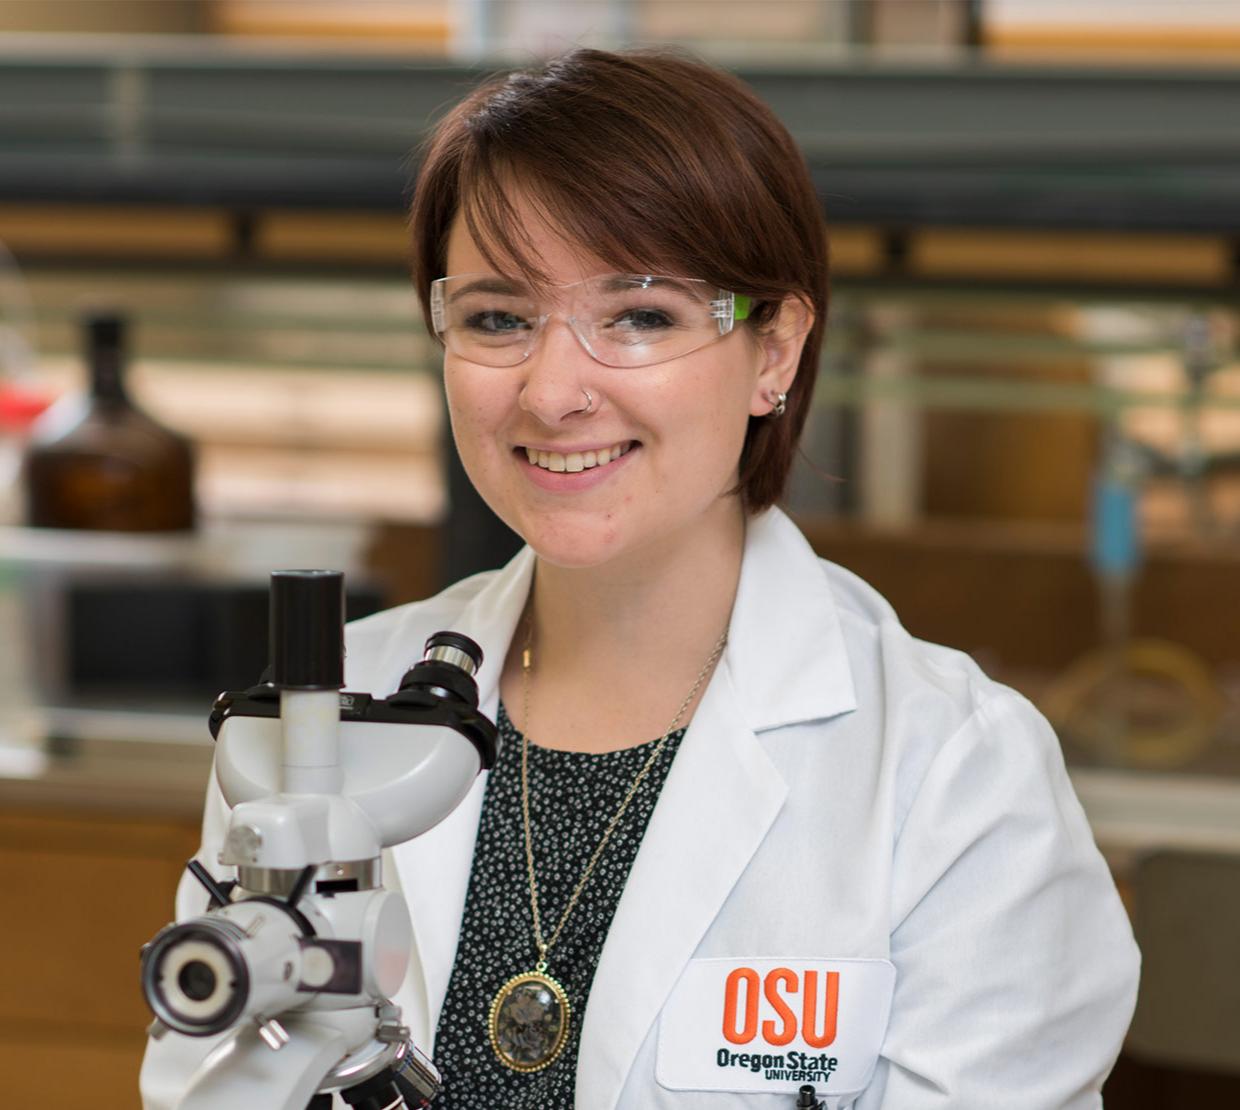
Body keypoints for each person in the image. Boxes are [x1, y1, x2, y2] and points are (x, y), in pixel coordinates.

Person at [162, 48, 1139, 1109]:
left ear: (775, 351)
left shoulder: (952, 773)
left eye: (640, 317)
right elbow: (211, 1076)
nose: (552, 392)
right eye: (498, 318)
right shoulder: (321, 719)